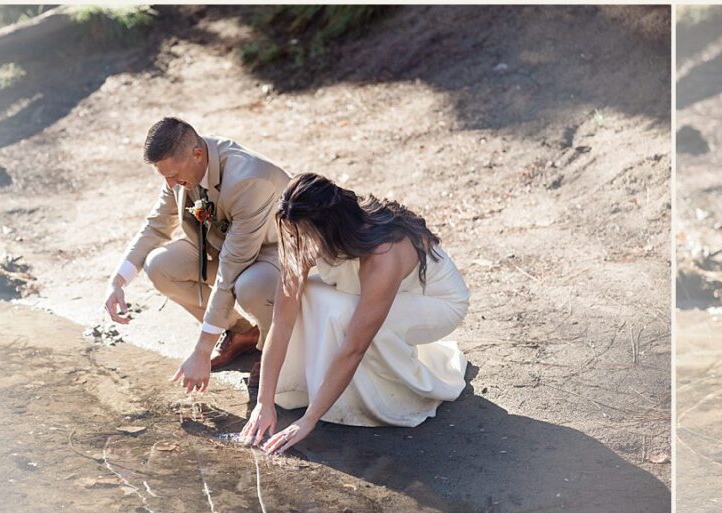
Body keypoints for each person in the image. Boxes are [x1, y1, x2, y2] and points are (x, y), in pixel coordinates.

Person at [240, 173, 471, 454]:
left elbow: (354, 347)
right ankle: (314, 387)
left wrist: (308, 421)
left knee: (345, 315)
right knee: (309, 295)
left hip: (437, 303)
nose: (297, 242)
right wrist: (264, 401)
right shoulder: (297, 226)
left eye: (305, 236)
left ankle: (390, 397)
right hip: (380, 294)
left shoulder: (382, 254)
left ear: (330, 229)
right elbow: (283, 319)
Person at [103, 117, 291, 392]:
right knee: (159, 265)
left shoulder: (248, 179)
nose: (169, 184)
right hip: (223, 247)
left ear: (198, 154)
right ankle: (241, 333)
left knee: (249, 285)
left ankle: (273, 348)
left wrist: (202, 351)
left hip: (272, 255)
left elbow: (232, 266)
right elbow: (157, 225)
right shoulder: (183, 169)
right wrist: (117, 281)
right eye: (164, 176)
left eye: (173, 176)